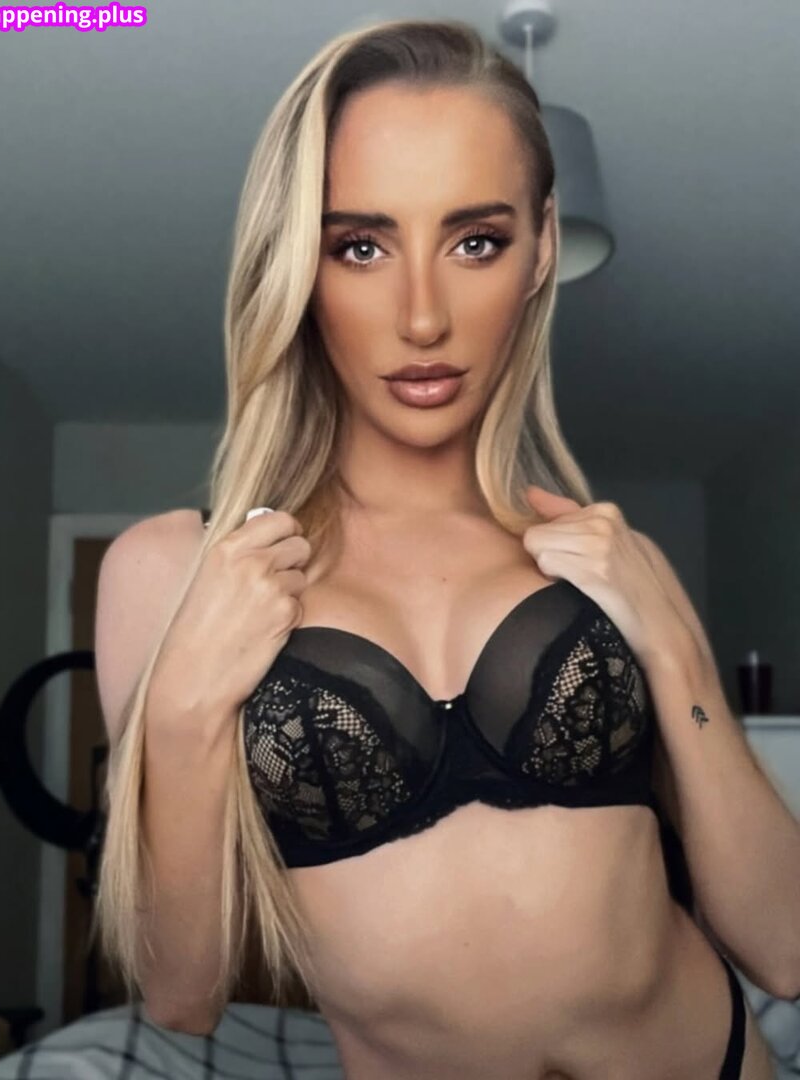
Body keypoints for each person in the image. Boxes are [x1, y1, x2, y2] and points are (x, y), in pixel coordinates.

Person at [91, 17, 785, 1079]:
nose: (422, 318)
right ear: (299, 264)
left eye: (475, 242)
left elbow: (786, 945)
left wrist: (677, 652)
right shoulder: (178, 572)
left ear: (541, 247)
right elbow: (183, 992)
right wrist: (184, 715)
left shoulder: (598, 553)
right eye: (361, 247)